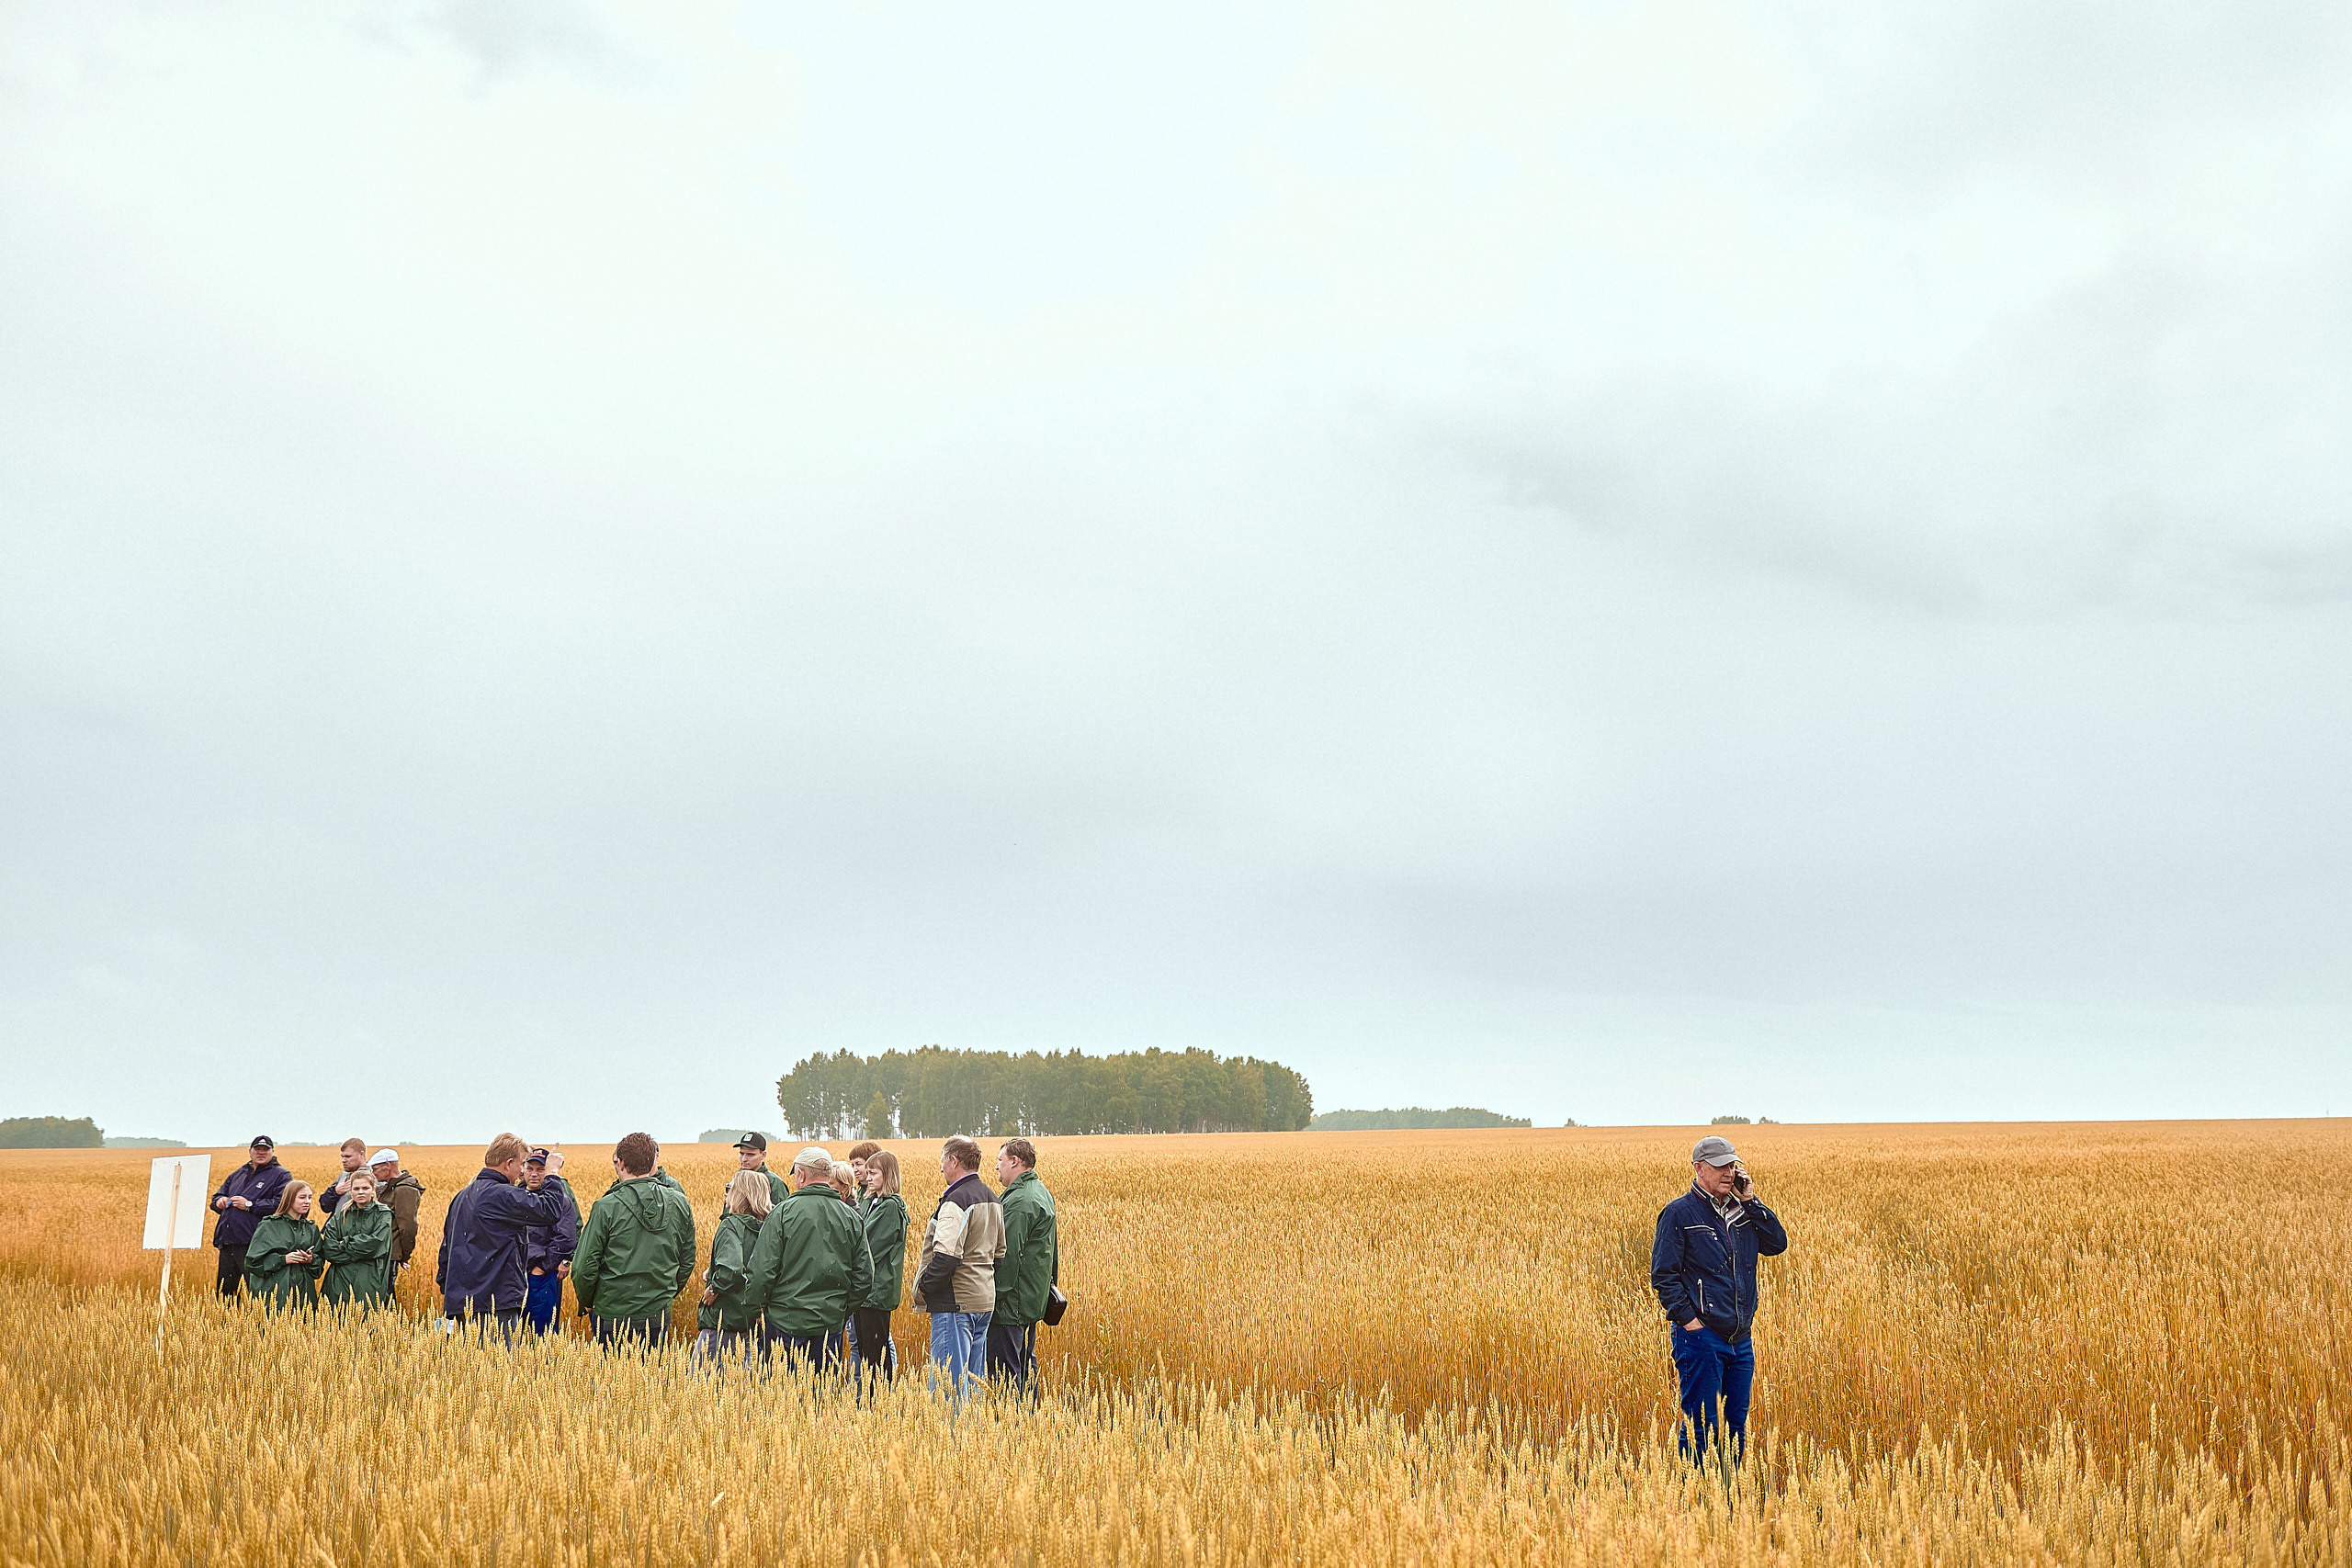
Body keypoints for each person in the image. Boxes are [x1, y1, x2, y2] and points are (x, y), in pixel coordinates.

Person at [1651, 1134, 1790, 1463]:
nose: (1729, 1172)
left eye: (1732, 1165)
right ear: (1699, 1168)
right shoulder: (1679, 1214)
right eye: (1720, 1167)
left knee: (1736, 1426)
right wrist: (1690, 1322)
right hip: (1701, 1338)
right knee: (1702, 1426)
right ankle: (1695, 1495)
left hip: (1739, 1340)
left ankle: (1728, 1492)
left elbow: (1777, 1243)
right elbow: (1663, 1275)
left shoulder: (1743, 1213)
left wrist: (1752, 1202)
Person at [436, 1133, 576, 1338]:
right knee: (495, 1365)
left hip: (461, 1303)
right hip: (493, 1304)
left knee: (470, 1367)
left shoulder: (462, 1195)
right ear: (508, 1163)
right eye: (522, 1165)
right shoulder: (500, 1194)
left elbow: (446, 1249)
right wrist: (552, 1173)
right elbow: (550, 1210)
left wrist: (451, 1292)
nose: (522, 1172)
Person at [742, 1145, 869, 1371]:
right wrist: (840, 1310)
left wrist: (757, 1310)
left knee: (784, 1397)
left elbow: (761, 1272)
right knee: (824, 1397)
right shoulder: (851, 1217)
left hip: (784, 1324)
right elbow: (865, 1277)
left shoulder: (781, 1214)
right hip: (829, 1325)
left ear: (801, 1175)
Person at [572, 1132, 696, 1348]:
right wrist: (664, 1294)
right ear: (652, 1161)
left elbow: (583, 1268)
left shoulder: (606, 1206)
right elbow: (687, 1259)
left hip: (611, 1313)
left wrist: (589, 1303)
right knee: (651, 1377)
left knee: (612, 1379)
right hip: (657, 1313)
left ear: (620, 1163)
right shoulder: (679, 1201)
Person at [911, 1135, 1004, 1403]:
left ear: (954, 1161)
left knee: (949, 1388)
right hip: (984, 1301)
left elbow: (947, 1257)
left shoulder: (956, 1201)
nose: (941, 1168)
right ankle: (973, 1439)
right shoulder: (992, 1198)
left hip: (955, 1305)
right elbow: (1000, 1255)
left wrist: (924, 1288)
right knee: (974, 1385)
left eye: (943, 1161)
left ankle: (952, 1441)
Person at [987, 1138, 1057, 1393]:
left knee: (1005, 1375)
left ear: (1015, 1161)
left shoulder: (1019, 1201)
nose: (997, 1167)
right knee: (1026, 1368)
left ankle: (1010, 1426)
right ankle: (1028, 1425)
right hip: (1030, 1299)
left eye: (1000, 1160)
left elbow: (1007, 1255)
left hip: (1010, 1305)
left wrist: (994, 1296)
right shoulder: (1040, 1192)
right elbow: (1052, 1253)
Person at [695, 1170, 773, 1364]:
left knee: (700, 1382)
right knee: (739, 1387)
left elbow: (731, 1270)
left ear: (740, 1193)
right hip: (749, 1321)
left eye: (729, 1188)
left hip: (724, 1320)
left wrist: (714, 1288)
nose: (726, 1193)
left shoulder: (731, 1225)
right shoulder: (766, 1228)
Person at [209, 1135, 291, 1298]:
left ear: (272, 1152)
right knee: (226, 1294)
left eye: (265, 1150)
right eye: (257, 1149)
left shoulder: (281, 1175)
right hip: (228, 1241)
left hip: (255, 1244)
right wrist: (220, 1201)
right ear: (250, 1151)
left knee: (257, 1293)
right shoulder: (238, 1174)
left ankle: (258, 1323)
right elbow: (216, 1197)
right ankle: (227, 1322)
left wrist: (250, 1205)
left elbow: (282, 1204)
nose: (261, 1153)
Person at [853, 1150, 909, 1384]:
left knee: (875, 1354)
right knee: (867, 1352)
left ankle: (878, 1400)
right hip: (867, 1291)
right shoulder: (873, 1201)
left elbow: (869, 1246)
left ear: (887, 1175)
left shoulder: (889, 1207)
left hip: (876, 1291)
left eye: (874, 1172)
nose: (868, 1176)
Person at [521, 1147, 579, 1336]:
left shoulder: (559, 1199)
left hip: (542, 1278)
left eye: (541, 1169)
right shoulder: (514, 1196)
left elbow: (566, 1238)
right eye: (530, 1169)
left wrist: (542, 1268)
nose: (535, 1174)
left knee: (541, 1335)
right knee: (514, 1336)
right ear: (523, 1170)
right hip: (514, 1277)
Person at [320, 1170, 398, 1309]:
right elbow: (329, 1250)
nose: (360, 1192)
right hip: (338, 1283)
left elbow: (375, 1245)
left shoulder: (383, 1215)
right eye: (356, 1189)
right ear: (350, 1191)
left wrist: (344, 1243)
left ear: (373, 1190)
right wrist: (360, 1251)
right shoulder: (340, 1217)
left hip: (369, 1282)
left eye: (365, 1188)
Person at [243, 1181, 322, 1310]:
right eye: (302, 1197)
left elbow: (318, 1269)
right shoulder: (269, 1225)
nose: (307, 1201)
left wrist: (310, 1260)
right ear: (289, 1199)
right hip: (274, 1296)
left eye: (309, 1197)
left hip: (304, 1296)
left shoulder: (311, 1229)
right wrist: (283, 1259)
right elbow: (252, 1263)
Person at [367, 1149, 426, 1272]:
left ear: (387, 1166)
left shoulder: (404, 1189)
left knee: (386, 1290)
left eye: (375, 1169)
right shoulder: (391, 1187)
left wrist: (404, 1255)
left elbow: (408, 1226)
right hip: (383, 1251)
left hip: (390, 1254)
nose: (373, 1174)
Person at [317, 1137, 370, 1217]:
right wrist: (335, 1192)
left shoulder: (372, 1176)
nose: (343, 1160)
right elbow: (325, 1206)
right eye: (342, 1156)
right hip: (336, 1226)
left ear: (361, 1154)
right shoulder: (344, 1175)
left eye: (348, 1156)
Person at [736, 1133, 790, 1209]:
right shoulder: (737, 1180)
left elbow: (781, 1215)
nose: (744, 1159)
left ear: (763, 1155)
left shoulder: (775, 1183)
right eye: (741, 1153)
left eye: (750, 1154)